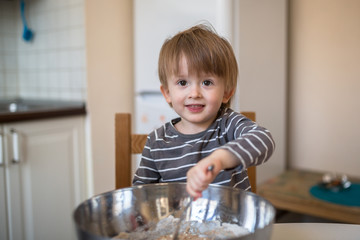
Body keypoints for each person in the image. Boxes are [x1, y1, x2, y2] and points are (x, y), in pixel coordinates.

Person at [133, 24, 275, 199]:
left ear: (227, 92)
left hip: (231, 224)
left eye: (207, 82)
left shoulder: (229, 125)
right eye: (183, 83)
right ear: (167, 93)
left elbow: (264, 140)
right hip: (179, 225)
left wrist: (218, 160)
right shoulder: (156, 142)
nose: (194, 94)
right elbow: (141, 196)